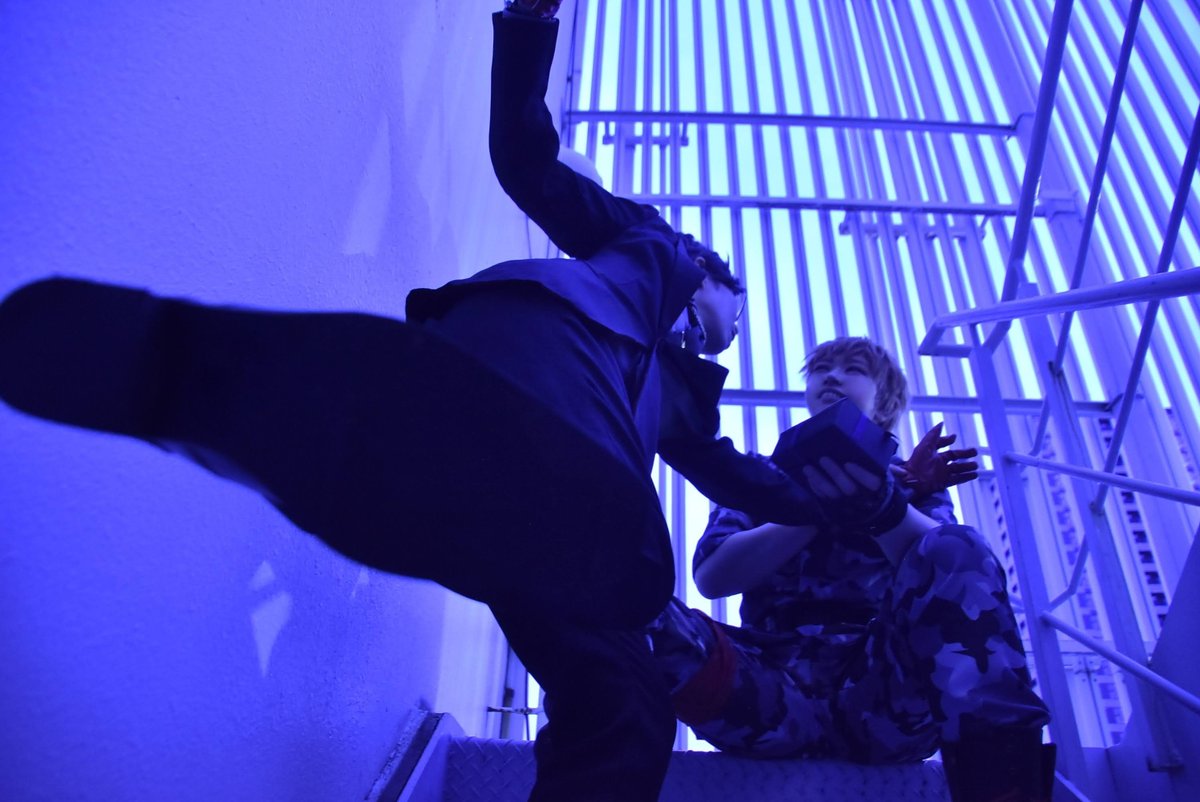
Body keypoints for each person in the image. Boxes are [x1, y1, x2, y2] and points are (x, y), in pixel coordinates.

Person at [0, 3, 834, 800]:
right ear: (703, 270)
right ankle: (205, 378)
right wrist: (533, 21)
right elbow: (525, 159)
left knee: (627, 701)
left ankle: (232, 394)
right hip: (533, 367)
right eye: (713, 323)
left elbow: (744, 481)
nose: (705, 343)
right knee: (593, 522)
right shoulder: (645, 240)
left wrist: (857, 499)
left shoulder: (682, 407)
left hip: (548, 513)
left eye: (710, 349)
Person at [646, 336, 1056, 802]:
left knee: (956, 546)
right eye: (821, 368)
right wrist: (813, 509)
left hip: (883, 693)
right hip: (761, 684)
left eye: (853, 369)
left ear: (886, 401)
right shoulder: (759, 475)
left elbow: (954, 563)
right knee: (635, 599)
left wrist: (885, 508)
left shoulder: (911, 483)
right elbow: (714, 577)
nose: (833, 376)